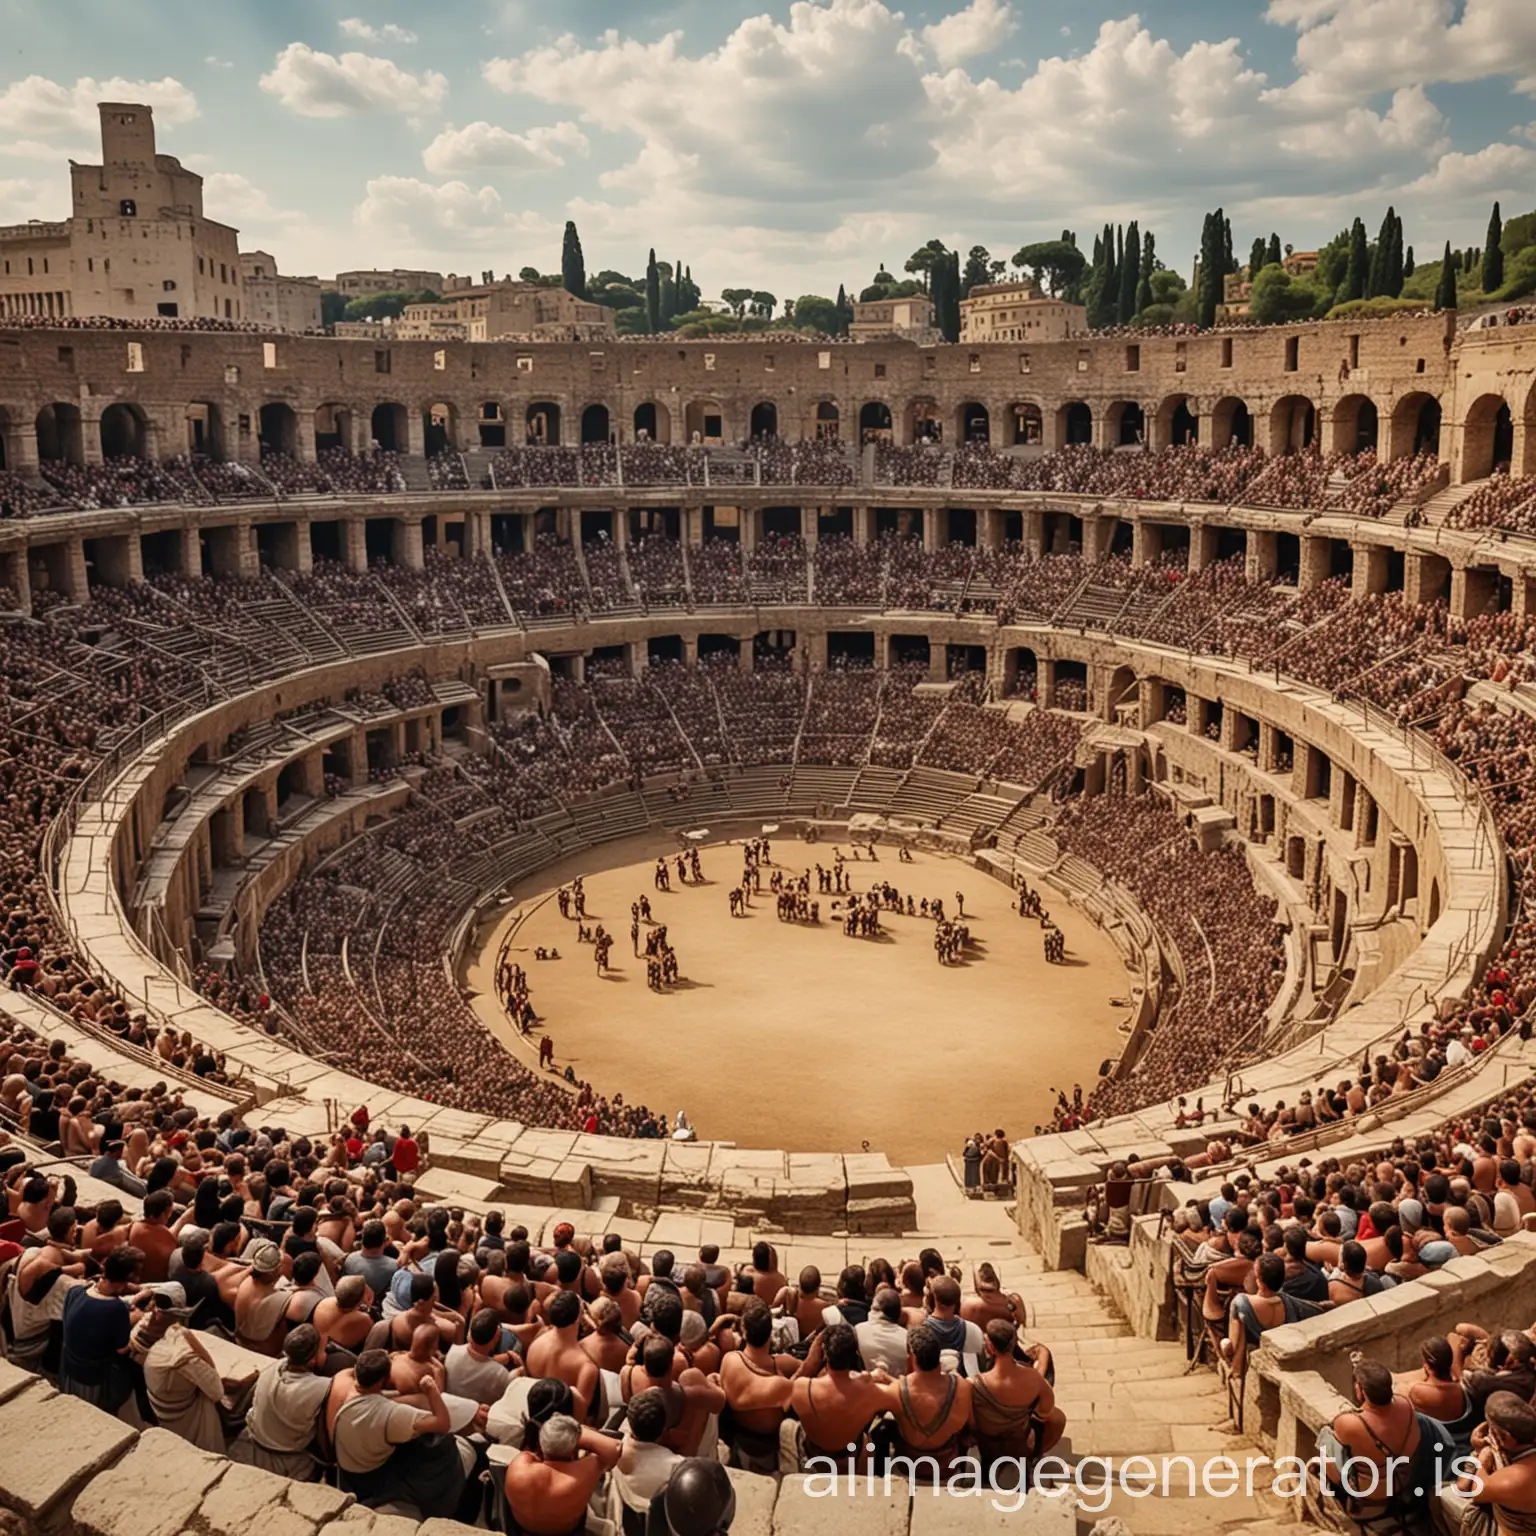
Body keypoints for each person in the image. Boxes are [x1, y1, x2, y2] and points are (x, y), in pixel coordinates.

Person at [330, 1348, 469, 1517]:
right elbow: (443, 1423)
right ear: (385, 1379)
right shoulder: (390, 1414)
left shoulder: (344, 1385)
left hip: (347, 1472)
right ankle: (444, 1510)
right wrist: (432, 1389)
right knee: (442, 1442)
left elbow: (379, 1401)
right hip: (371, 1478)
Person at [234, 1324, 331, 1479]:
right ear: (312, 1360)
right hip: (287, 1452)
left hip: (256, 1436)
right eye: (323, 1350)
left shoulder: (273, 1368)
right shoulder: (321, 1387)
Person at [968, 1319, 1064, 1475]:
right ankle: (1033, 1458)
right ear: (1014, 1344)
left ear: (991, 1347)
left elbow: (971, 1423)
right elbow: (1045, 1411)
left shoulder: (973, 1384)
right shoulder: (1033, 1379)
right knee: (1058, 1418)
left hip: (988, 1449)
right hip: (1019, 1446)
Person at [879, 1324, 973, 1481]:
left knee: (882, 1428)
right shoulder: (962, 1386)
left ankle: (879, 1476)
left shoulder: (895, 1390)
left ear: (912, 1357)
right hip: (946, 1466)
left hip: (909, 1465)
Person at [59, 1244, 147, 1413]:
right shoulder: (116, 1309)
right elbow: (122, 1349)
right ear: (129, 1277)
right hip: (92, 1377)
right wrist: (136, 1321)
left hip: (68, 1369)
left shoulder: (76, 1290)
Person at [505, 1411, 621, 1536]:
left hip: (521, 1531)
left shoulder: (520, 1465)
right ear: (574, 1449)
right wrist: (580, 1432)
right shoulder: (584, 1472)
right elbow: (614, 1448)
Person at [791, 1323, 888, 1471]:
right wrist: (881, 1376)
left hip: (814, 1456)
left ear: (824, 1351)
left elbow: (780, 1400)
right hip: (852, 1455)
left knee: (787, 1426)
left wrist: (809, 1362)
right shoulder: (871, 1390)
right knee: (868, 1438)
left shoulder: (802, 1387)